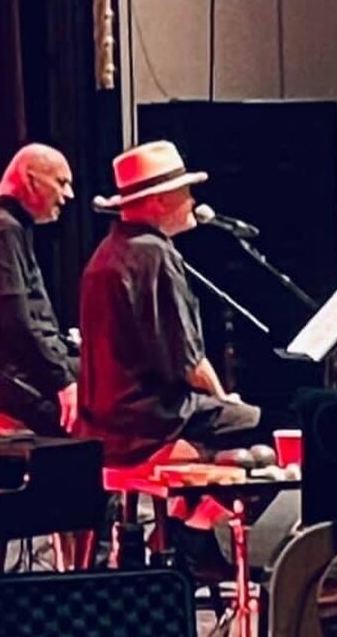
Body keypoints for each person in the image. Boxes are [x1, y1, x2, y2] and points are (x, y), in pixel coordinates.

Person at [77, 139, 261, 467]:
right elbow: (188, 362)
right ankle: (198, 513)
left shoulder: (106, 253)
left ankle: (192, 511)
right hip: (152, 421)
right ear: (160, 200)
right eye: (184, 191)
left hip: (107, 422)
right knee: (259, 424)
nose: (192, 201)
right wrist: (223, 398)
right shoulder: (154, 254)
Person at [0, 143, 79, 436]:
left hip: (20, 381)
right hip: (20, 389)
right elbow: (16, 324)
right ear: (31, 179)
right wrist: (62, 381)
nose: (69, 195)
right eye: (61, 182)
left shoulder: (5, 228)